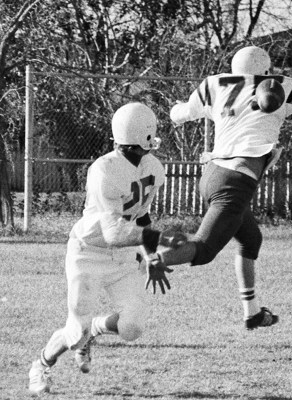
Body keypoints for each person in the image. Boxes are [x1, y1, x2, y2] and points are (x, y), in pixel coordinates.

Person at [149, 45, 292, 331]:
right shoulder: (281, 87)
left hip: (212, 175)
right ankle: (158, 257)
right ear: (267, 70)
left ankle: (252, 312)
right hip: (235, 183)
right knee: (204, 249)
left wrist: (176, 107)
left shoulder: (215, 84)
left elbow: (178, 115)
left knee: (250, 239)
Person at [28, 102, 186, 395]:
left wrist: (150, 255)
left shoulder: (152, 166)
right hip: (89, 252)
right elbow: (114, 232)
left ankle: (96, 329)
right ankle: (41, 364)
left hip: (124, 254)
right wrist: (161, 240)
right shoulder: (104, 169)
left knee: (133, 327)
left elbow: (142, 216)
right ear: (146, 135)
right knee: (75, 333)